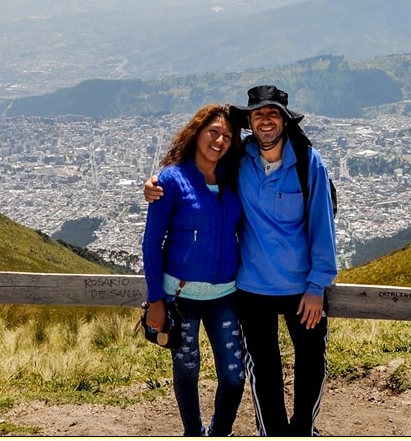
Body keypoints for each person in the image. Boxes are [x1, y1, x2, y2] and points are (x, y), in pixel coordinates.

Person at [146, 85, 338, 436]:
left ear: (285, 120)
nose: (265, 120)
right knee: (264, 371)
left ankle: (302, 430)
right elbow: (197, 172)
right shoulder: (240, 159)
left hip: (302, 288)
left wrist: (316, 286)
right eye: (258, 114)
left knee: (310, 366)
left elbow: (324, 226)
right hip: (252, 287)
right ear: (249, 121)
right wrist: (155, 183)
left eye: (273, 113)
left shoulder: (309, 163)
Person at [141, 103, 246, 437]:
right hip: (180, 295)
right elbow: (151, 243)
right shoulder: (171, 180)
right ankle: (192, 432)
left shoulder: (234, 178)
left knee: (234, 376)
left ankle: (219, 432)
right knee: (187, 370)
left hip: (225, 295)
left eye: (227, 136)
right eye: (213, 132)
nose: (219, 141)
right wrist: (156, 299)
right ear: (197, 132)